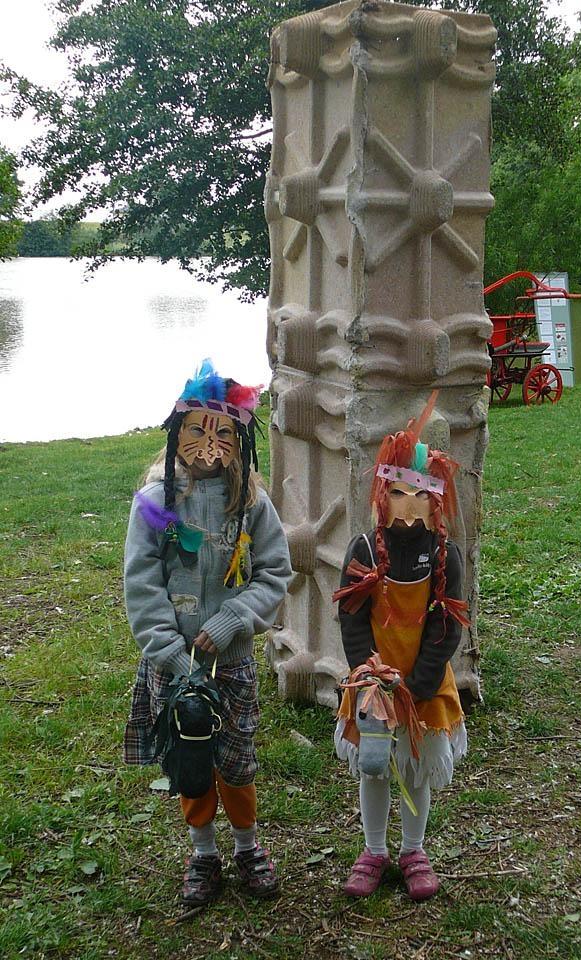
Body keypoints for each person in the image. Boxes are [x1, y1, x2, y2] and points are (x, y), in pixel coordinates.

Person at [123, 360, 292, 905]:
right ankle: (203, 853)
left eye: (222, 433)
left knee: (236, 761)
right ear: (178, 431)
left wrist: (232, 620)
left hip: (232, 662)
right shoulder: (156, 504)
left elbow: (275, 573)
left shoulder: (253, 505)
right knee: (190, 759)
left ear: (240, 441)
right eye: (197, 429)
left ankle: (247, 846)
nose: (209, 443)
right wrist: (170, 652)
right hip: (173, 664)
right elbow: (142, 582)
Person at [333, 391, 470, 902]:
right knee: (374, 765)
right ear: (382, 495)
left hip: (424, 683)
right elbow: (351, 620)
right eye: (397, 493)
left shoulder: (445, 556)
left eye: (419, 495)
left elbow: (446, 628)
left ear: (435, 501)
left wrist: (417, 686)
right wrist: (372, 678)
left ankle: (414, 849)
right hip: (375, 683)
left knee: (415, 768)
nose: (407, 506)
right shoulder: (365, 551)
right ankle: (374, 849)